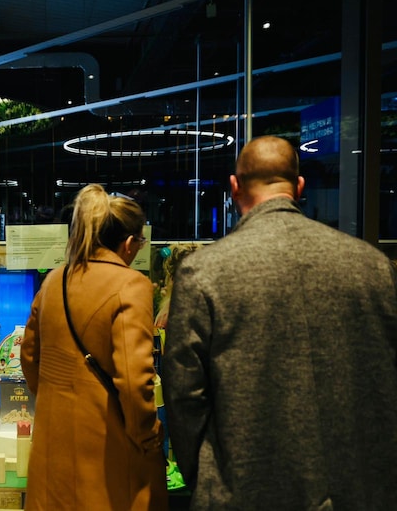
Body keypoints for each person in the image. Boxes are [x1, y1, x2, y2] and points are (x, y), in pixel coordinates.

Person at [161, 135, 397, 510]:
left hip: (243, 491)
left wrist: (205, 477)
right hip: (359, 491)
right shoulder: (373, 267)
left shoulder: (203, 273)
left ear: (235, 187)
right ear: (299, 187)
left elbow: (184, 397)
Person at [21, 183, 168, 511]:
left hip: (51, 448)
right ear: (129, 243)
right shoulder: (131, 285)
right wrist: (149, 437)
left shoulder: (54, 279)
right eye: (140, 242)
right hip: (106, 454)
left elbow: (29, 358)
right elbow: (133, 380)